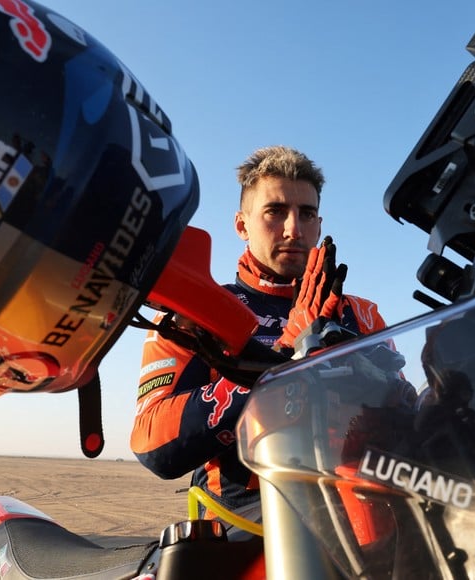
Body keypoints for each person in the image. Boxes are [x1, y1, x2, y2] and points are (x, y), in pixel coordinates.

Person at [130, 145, 388, 536]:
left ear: (319, 225)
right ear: (241, 225)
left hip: (361, 514)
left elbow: (404, 416)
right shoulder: (198, 309)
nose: (293, 229)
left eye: (306, 214)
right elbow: (153, 446)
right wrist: (283, 359)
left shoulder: (360, 314)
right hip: (246, 528)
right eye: (275, 211)